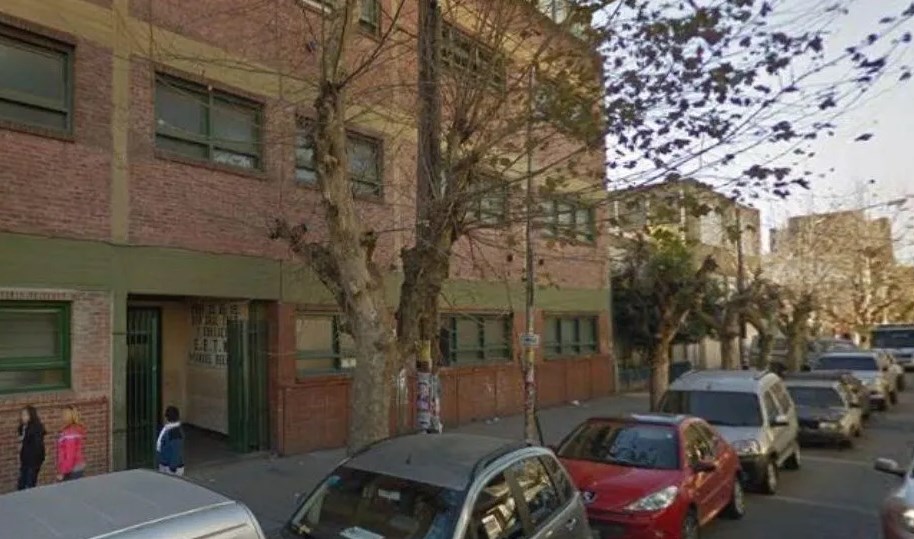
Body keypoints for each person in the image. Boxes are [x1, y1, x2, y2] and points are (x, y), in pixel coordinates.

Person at [17, 405, 46, 490]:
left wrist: (36, 462)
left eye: (25, 415)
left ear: (31, 416)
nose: (23, 417)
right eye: (22, 415)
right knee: (21, 484)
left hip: (33, 461)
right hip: (25, 460)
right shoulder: (23, 428)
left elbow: (38, 446)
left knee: (29, 484)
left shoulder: (35, 428)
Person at [56, 405, 86, 482]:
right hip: (75, 468)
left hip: (72, 470)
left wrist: (63, 472)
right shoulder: (72, 431)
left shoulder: (70, 433)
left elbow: (70, 455)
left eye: (64, 414)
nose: (61, 417)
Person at [156, 406, 185, 476]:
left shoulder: (174, 432)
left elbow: (176, 451)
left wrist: (172, 468)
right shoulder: (169, 428)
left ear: (167, 417)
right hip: (166, 464)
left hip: (170, 467)